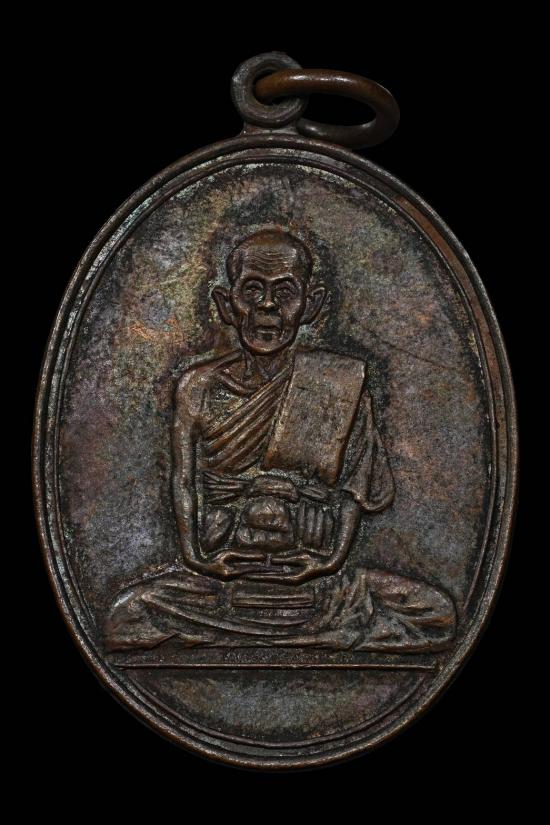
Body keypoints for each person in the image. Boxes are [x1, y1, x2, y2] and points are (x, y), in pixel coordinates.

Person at [105, 228, 456, 652]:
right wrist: (199, 558)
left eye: (284, 292)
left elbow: (355, 487)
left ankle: (284, 632)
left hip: (314, 574)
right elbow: (183, 481)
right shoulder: (198, 387)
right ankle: (316, 636)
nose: (267, 306)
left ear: (311, 304)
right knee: (126, 619)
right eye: (252, 290)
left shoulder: (338, 382)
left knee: (437, 615)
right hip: (224, 572)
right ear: (226, 304)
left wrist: (329, 561)